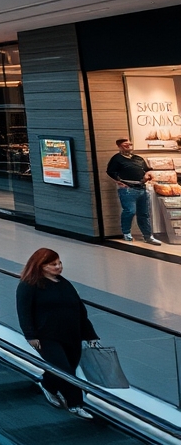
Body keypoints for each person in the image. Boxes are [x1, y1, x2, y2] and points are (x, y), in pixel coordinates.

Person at [16, 248, 98, 419]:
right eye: (53, 264)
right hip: (47, 337)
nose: (59, 267)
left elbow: (79, 309)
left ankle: (48, 385)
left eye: (59, 263)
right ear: (41, 266)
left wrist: (90, 334)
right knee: (65, 371)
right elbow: (24, 311)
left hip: (71, 334)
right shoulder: (28, 285)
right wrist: (30, 335)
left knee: (68, 367)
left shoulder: (63, 283)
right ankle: (75, 404)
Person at [106, 138, 161, 244]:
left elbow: (147, 170)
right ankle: (126, 233)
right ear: (119, 146)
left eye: (130, 144)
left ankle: (148, 235)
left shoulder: (138, 158)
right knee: (130, 211)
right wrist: (118, 181)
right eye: (125, 145)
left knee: (144, 213)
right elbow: (110, 171)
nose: (129, 146)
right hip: (128, 188)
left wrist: (148, 175)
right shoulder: (117, 159)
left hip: (141, 187)